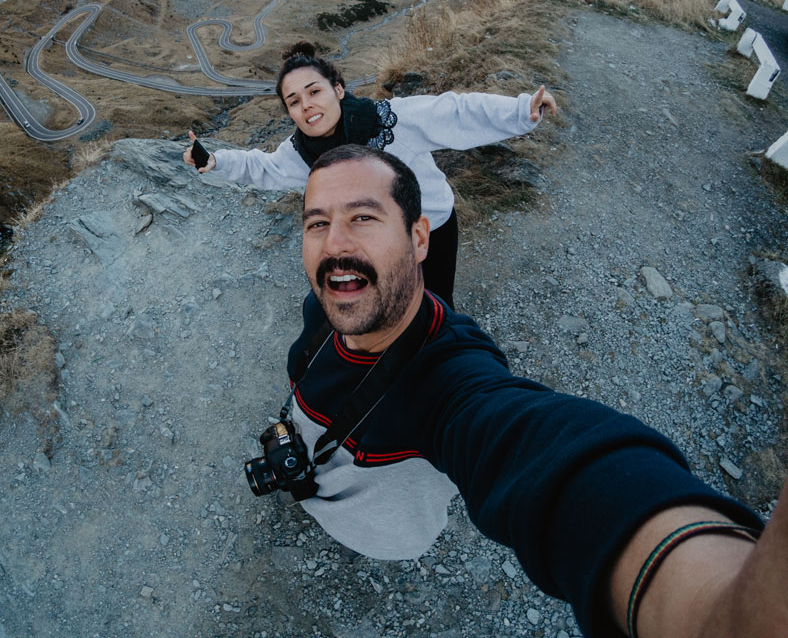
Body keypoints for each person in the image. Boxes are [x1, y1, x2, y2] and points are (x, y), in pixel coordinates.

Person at [274, 143, 786, 638]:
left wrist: (714, 607)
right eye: (317, 223)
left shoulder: (450, 377)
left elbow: (538, 448)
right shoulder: (325, 305)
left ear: (419, 238)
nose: (335, 245)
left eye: (363, 217)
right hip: (312, 481)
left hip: (388, 538)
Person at [183, 41, 557, 309]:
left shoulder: (391, 120)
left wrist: (522, 110)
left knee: (437, 306)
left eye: (314, 91)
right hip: (374, 241)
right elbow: (261, 167)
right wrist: (215, 163)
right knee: (386, 306)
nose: (307, 104)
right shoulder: (301, 153)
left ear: (338, 90)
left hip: (432, 226)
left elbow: (455, 112)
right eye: (294, 101)